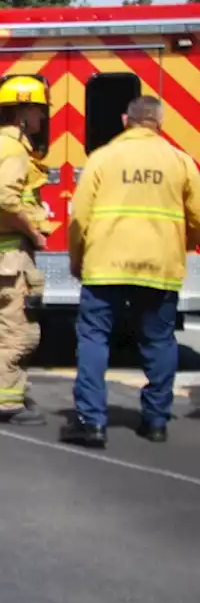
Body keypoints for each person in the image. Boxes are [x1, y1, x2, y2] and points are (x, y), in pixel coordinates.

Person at [62, 95, 200, 448]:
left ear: (126, 120)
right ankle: (155, 422)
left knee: (94, 339)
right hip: (159, 268)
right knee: (159, 341)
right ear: (160, 123)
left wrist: (76, 258)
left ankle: (92, 423)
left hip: (105, 266)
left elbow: (79, 217)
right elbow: (197, 216)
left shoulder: (102, 159)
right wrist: (182, 245)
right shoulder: (180, 161)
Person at [0, 75, 53, 426]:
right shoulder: (15, 150)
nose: (42, 118)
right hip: (10, 255)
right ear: (22, 112)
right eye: (38, 110)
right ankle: (7, 403)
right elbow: (7, 198)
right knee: (15, 329)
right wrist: (35, 232)